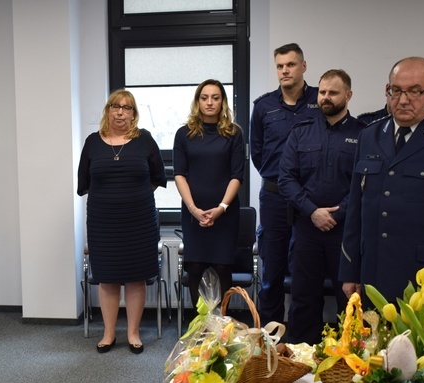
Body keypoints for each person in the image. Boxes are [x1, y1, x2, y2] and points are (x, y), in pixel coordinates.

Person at [340, 57, 424, 304]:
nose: (403, 99)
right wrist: (349, 271)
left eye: (414, 91)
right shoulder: (369, 136)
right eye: (396, 90)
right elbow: (356, 210)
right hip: (373, 274)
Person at [279, 69, 365, 344]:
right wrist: (312, 211)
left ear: (348, 95)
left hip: (346, 233)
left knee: (349, 298)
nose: (326, 98)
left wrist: (338, 214)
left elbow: (365, 184)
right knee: (304, 297)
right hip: (307, 228)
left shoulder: (364, 135)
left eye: (333, 92)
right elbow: (286, 178)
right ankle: (302, 361)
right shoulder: (301, 132)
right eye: (323, 92)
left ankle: (350, 359)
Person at [77, 89, 166, 354]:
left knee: (136, 278)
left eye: (127, 108)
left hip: (139, 220)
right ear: (108, 110)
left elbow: (157, 176)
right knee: (108, 278)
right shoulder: (92, 142)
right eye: (115, 106)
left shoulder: (145, 140)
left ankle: (134, 333)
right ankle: (108, 334)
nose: (120, 112)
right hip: (103, 222)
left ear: (134, 114)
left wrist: (132, 196)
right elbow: (85, 182)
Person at [250, 43, 321, 327]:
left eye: (290, 65)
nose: (285, 71)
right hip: (275, 199)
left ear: (303, 66)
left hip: (309, 200)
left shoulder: (320, 100)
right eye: (280, 66)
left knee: (308, 271)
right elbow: (257, 153)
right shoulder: (264, 106)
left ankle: (305, 336)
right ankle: (269, 337)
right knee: (272, 272)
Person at [173, 79, 244, 305]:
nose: (210, 102)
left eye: (215, 97)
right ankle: (199, 329)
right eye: (204, 98)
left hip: (225, 212)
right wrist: (194, 210)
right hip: (194, 213)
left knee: (223, 267)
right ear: (197, 101)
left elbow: (237, 175)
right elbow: (179, 174)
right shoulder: (184, 134)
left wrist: (221, 208)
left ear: (222, 101)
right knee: (194, 267)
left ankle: (224, 328)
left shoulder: (234, 133)